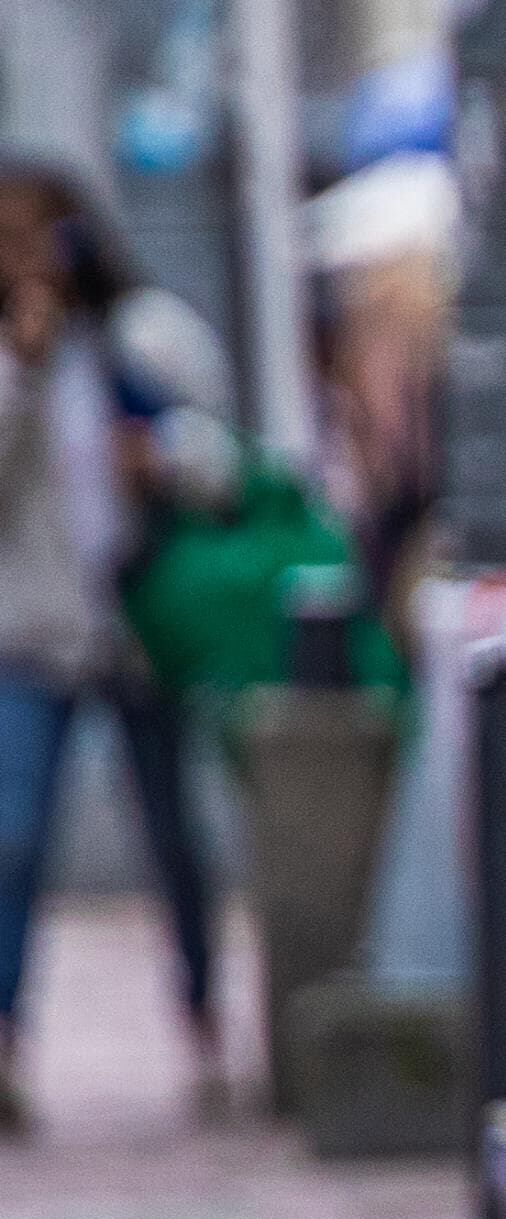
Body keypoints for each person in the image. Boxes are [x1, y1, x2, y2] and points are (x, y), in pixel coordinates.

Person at [0, 165, 228, 1131]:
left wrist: (164, 457)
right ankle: (5, 1038)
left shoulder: (149, 335)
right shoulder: (14, 358)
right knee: (12, 837)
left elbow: (226, 459)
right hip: (33, 630)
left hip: (142, 624)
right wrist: (24, 366)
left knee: (176, 832)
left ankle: (205, 1013)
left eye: (39, 234)